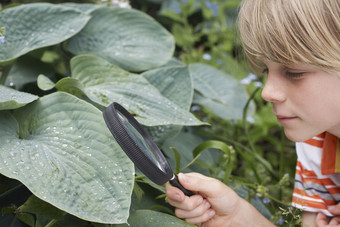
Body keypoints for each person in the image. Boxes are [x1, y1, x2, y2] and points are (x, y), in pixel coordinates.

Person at [165, 0, 340, 226]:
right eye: (266, 69)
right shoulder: (317, 142)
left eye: (294, 72)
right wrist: (235, 216)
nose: (267, 92)